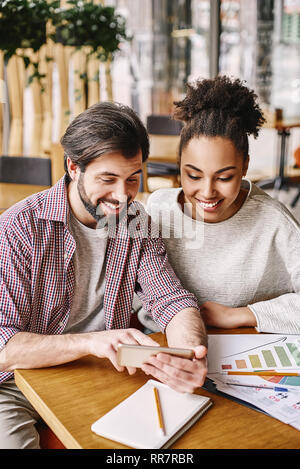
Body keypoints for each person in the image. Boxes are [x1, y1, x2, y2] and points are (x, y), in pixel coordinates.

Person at [0, 102, 207, 449]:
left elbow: (171, 299)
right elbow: (3, 346)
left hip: (99, 374)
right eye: (107, 179)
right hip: (16, 381)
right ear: (73, 167)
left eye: (132, 179)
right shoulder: (19, 228)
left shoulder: (135, 221)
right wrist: (91, 342)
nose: (122, 196)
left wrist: (189, 353)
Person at [138, 75, 300, 335]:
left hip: (240, 351)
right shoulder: (158, 209)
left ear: (245, 166)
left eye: (224, 177)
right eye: (193, 175)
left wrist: (243, 315)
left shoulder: (273, 221)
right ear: (179, 165)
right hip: (162, 348)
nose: (207, 191)